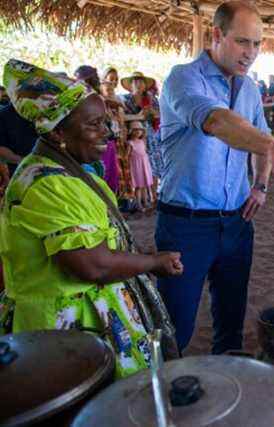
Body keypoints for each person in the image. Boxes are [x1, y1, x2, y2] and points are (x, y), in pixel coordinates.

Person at [0, 59, 183, 377]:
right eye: (94, 124)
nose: (109, 132)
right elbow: (92, 264)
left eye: (106, 122)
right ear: (58, 131)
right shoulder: (49, 185)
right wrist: (154, 262)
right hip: (64, 335)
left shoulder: (71, 173)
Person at [156, 1, 274, 354]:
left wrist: (261, 185)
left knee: (231, 321)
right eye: (243, 42)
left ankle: (227, 400)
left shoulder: (250, 88)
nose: (251, 53)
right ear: (216, 35)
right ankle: (161, 401)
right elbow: (218, 123)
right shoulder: (183, 78)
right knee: (175, 326)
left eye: (256, 44)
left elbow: (257, 137)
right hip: (186, 223)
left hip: (238, 221)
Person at [121, 71, 161, 207]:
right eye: (135, 81)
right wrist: (139, 116)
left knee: (153, 166)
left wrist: (152, 113)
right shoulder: (125, 99)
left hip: (151, 136)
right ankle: (138, 201)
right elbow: (122, 118)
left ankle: (153, 197)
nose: (138, 84)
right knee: (137, 168)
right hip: (135, 138)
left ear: (145, 85)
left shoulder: (151, 99)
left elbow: (160, 115)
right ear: (130, 85)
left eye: (141, 81)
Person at [127, 121, 153, 212]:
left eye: (140, 130)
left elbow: (145, 152)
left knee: (145, 185)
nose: (138, 132)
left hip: (144, 165)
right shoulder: (130, 143)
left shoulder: (142, 141)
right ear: (131, 131)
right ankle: (138, 204)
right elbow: (127, 156)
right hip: (136, 167)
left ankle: (145, 202)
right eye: (135, 130)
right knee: (138, 186)